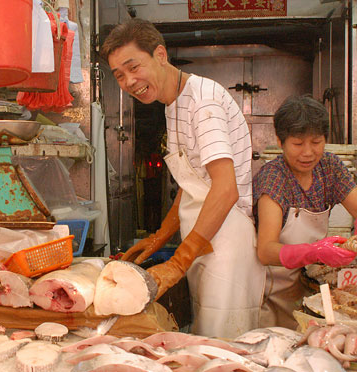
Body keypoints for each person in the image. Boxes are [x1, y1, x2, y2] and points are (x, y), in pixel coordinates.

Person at [102, 18, 265, 338]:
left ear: (160, 54)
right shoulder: (173, 102)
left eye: (133, 67)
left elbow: (225, 189)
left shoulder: (202, 102)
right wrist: (160, 236)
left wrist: (179, 262)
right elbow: (193, 182)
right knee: (206, 338)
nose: (129, 81)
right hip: (205, 242)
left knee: (223, 347)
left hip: (226, 241)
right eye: (119, 75)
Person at [253, 95, 357, 329]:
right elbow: (266, 250)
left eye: (317, 142)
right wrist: (316, 251)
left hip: (307, 285)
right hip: (271, 289)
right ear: (280, 141)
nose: (308, 152)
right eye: (298, 144)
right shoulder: (274, 177)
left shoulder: (329, 168)